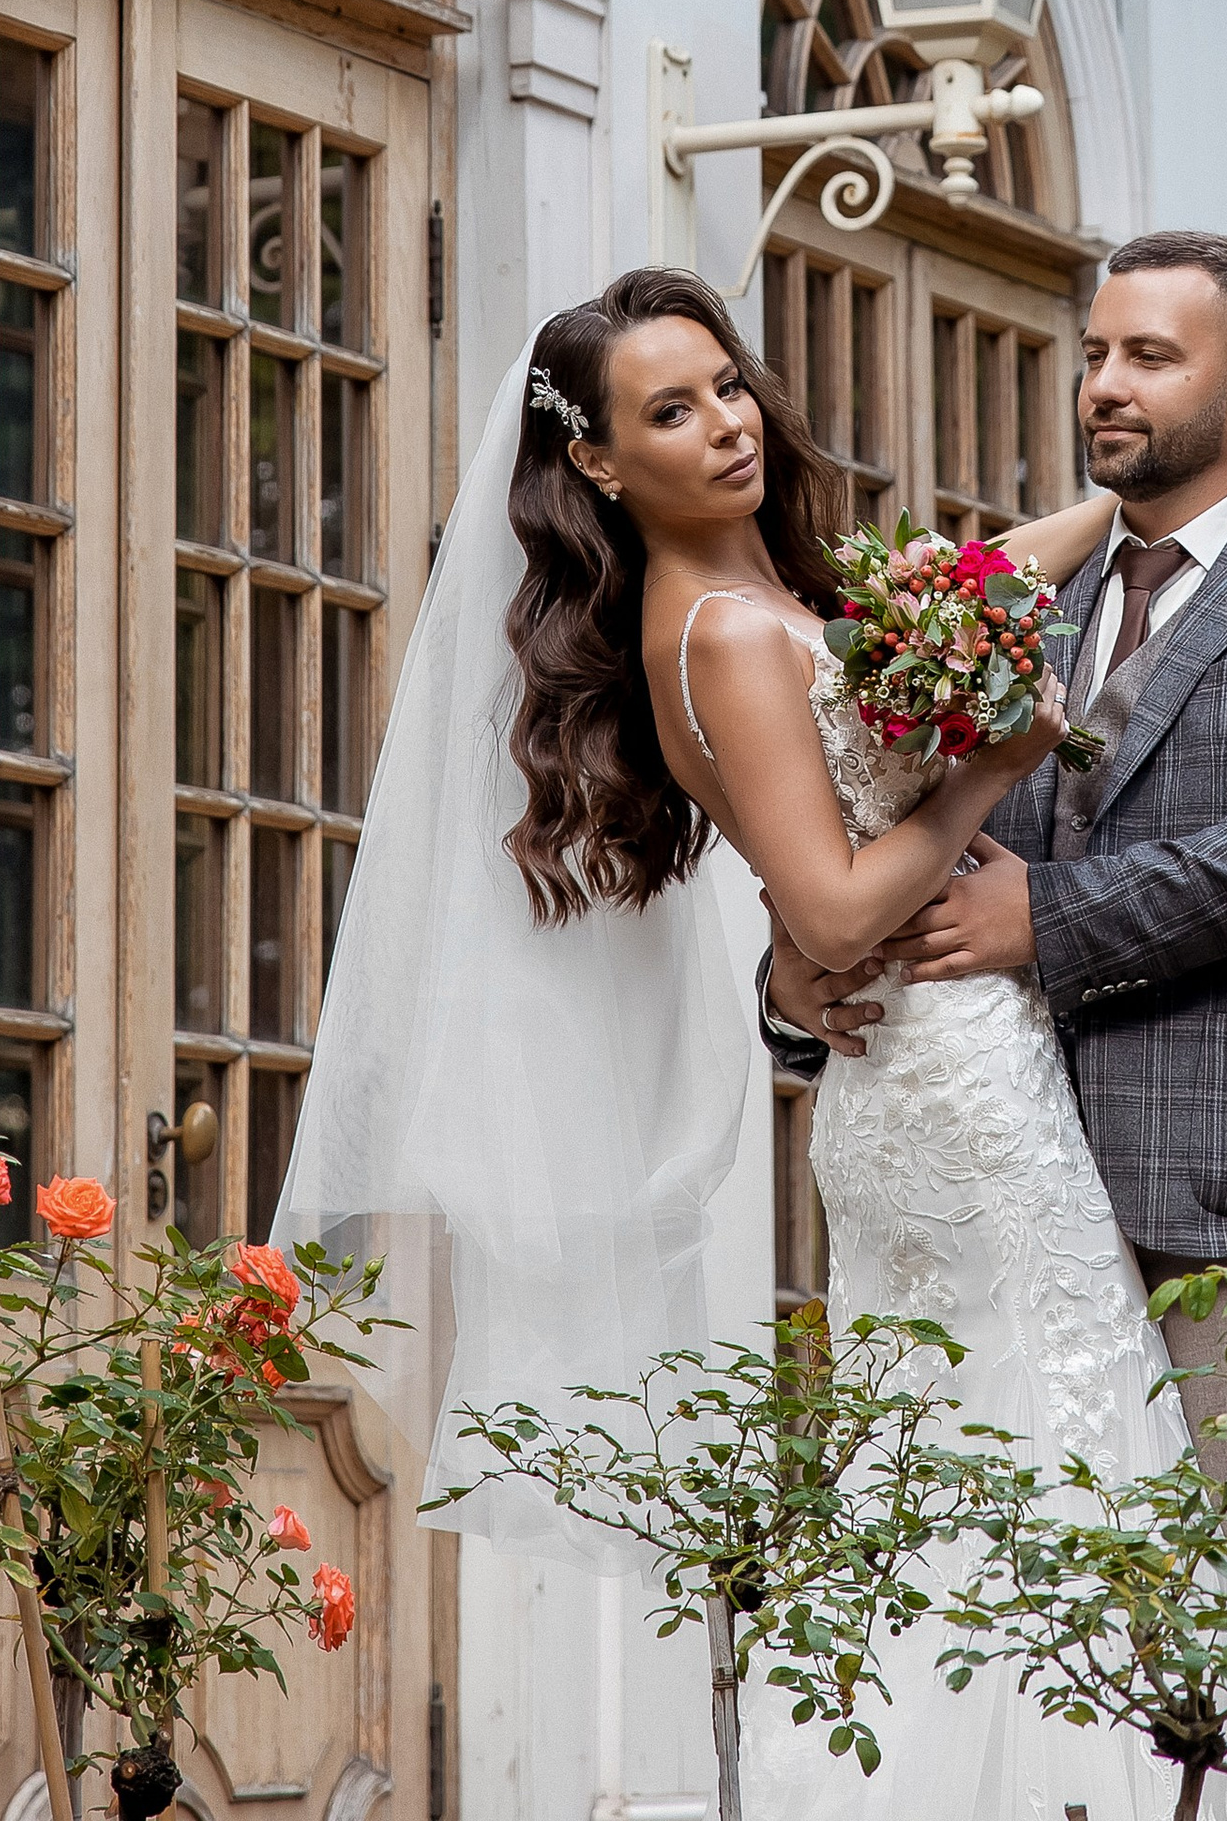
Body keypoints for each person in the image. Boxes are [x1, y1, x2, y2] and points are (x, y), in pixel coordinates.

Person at [274, 262, 1168, 1821]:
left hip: (924, 1070)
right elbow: (831, 906)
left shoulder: (762, 609)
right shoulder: (728, 635)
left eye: (729, 384)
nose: (728, 423)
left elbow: (980, 579)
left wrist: (1119, 506)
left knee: (982, 1470)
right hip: (951, 1084)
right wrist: (996, 760)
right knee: (1044, 1450)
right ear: (601, 461)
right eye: (672, 411)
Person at [763, 230, 1227, 1821]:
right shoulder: (1010, 602)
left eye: (1149, 355)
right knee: (1025, 1679)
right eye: (1095, 352)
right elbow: (884, 835)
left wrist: (1048, 921)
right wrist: (799, 986)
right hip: (1008, 1209)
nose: (1105, 384)